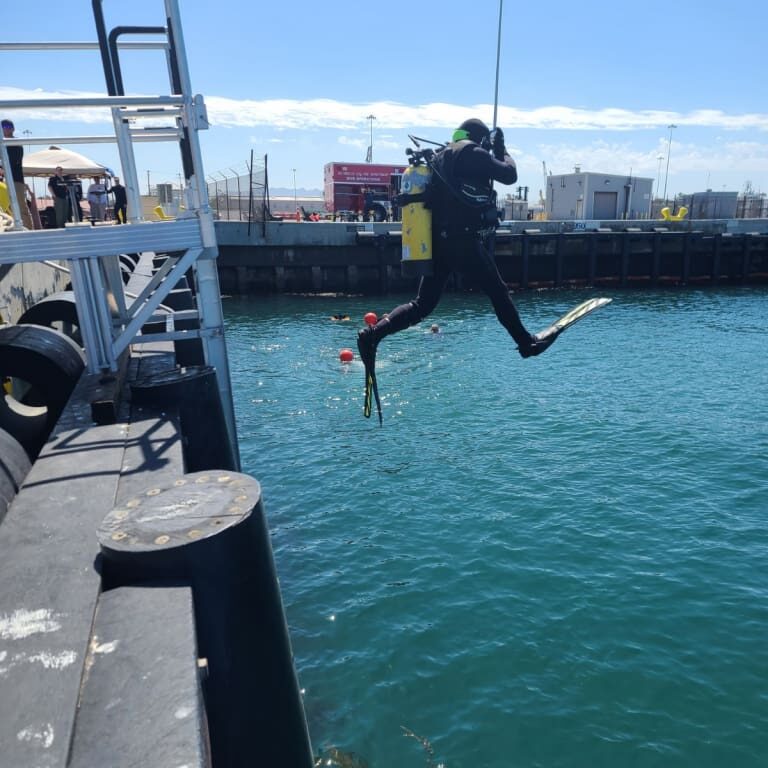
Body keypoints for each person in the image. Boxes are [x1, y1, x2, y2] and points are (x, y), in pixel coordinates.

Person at [357, 118, 557, 420]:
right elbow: (509, 174)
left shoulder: (442, 156)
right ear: (478, 138)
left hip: (438, 241)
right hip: (463, 240)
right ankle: (526, 343)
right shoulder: (472, 152)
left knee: (422, 305)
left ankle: (373, 334)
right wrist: (502, 148)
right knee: (498, 291)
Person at [1, 118, 33, 229]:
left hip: (16, 181)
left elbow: (14, 161)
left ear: (13, 129)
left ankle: (30, 232)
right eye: (3, 128)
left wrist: (2, 169)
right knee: (11, 208)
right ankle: (18, 230)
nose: (5, 130)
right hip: (7, 181)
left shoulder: (16, 143)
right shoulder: (2, 145)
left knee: (21, 207)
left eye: (7, 127)